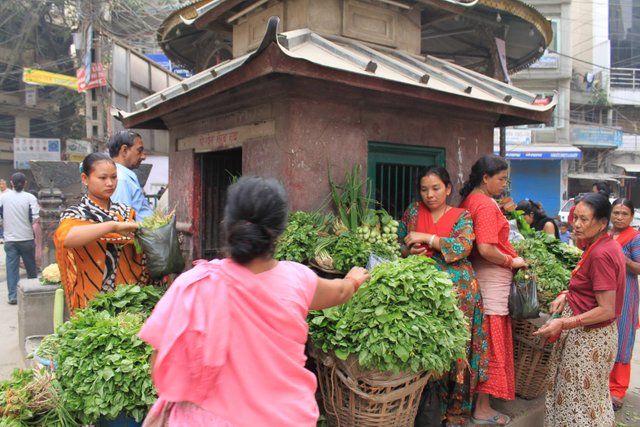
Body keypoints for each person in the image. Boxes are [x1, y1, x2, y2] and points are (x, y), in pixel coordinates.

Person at [138, 176, 370, 427]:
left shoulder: (193, 284)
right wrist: (353, 280)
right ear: (279, 233)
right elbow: (338, 292)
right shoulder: (298, 279)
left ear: (228, 224)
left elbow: (161, 363)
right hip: (285, 419)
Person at [398, 166, 488, 427]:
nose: (430, 195)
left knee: (458, 352)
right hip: (424, 294)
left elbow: (462, 246)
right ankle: (429, 412)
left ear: (448, 189)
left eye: (436, 188)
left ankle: (457, 413)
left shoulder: (462, 215)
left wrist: (428, 238)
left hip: (459, 294)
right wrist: (408, 251)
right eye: (424, 189)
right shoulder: (413, 212)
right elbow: (400, 241)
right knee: (429, 350)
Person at [534, 193, 624, 426]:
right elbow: (590, 289)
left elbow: (606, 309)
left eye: (584, 220)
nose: (576, 224)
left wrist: (564, 322)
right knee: (590, 402)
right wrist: (567, 295)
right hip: (595, 337)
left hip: (589, 340)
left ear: (602, 223)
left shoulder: (601, 254)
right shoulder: (602, 244)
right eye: (576, 218)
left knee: (578, 407)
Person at [459, 154, 527, 426]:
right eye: (501, 179)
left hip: (480, 279)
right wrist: (512, 260)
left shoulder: (471, 201)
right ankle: (483, 409)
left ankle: (476, 405)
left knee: (479, 343)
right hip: (491, 284)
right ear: (485, 178)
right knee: (490, 344)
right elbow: (486, 248)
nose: (504, 184)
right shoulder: (485, 205)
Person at [54, 153, 150, 313]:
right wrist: (113, 227)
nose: (110, 183)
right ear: (85, 179)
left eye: (114, 177)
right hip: (90, 298)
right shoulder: (76, 213)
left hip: (126, 296)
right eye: (103, 178)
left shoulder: (124, 212)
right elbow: (66, 238)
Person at [607, 198, 640, 411]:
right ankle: (602, 387)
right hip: (605, 293)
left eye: (624, 213)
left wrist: (624, 260)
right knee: (606, 337)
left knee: (622, 338)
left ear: (631, 216)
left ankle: (617, 390)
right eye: (616, 212)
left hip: (626, 294)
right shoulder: (607, 235)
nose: (619, 217)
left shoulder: (635, 238)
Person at [0, 173, 39, 305]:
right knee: (31, 267)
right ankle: (33, 292)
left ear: (11, 183)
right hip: (27, 238)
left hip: (10, 239)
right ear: (25, 183)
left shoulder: (3, 198)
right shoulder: (30, 198)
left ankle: (13, 296)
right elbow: (35, 217)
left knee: (12, 269)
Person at [107, 130, 153, 221]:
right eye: (139, 151)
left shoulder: (123, 176)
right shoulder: (120, 179)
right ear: (124, 150)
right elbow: (122, 220)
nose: (143, 157)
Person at [0, 179, 9, 244]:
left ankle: (3, 236)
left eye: (3, 184)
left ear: (6, 185)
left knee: (5, 223)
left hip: (6, 209)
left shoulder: (9, 192)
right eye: (0, 184)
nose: (1, 186)